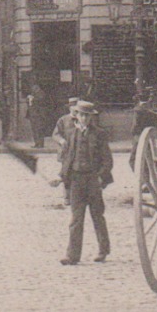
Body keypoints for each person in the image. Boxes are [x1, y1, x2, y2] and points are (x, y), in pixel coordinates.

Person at [59, 101, 113, 266]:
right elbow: (68, 158)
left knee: (97, 216)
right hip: (76, 181)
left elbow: (107, 160)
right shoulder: (71, 133)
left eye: (87, 116)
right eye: (81, 115)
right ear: (76, 115)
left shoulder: (99, 134)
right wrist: (61, 177)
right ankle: (72, 256)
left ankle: (103, 251)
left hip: (92, 181)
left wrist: (100, 177)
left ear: (92, 117)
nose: (84, 118)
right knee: (76, 219)